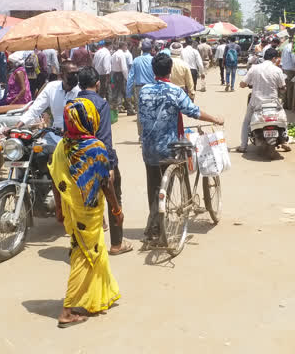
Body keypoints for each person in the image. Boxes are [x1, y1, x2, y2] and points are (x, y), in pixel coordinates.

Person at [48, 98, 122, 328]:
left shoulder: (62, 145)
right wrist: (116, 208)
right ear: (88, 120)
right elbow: (105, 184)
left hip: (72, 209)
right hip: (88, 211)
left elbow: (55, 178)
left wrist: (59, 210)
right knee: (83, 255)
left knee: (94, 251)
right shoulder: (95, 147)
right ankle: (67, 310)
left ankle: (100, 295)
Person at [137, 53, 223, 242]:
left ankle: (153, 223)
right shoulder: (175, 91)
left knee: (153, 185)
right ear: (170, 71)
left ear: (153, 70)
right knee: (177, 168)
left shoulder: (143, 90)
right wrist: (215, 119)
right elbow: (194, 111)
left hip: (148, 148)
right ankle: (181, 204)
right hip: (169, 148)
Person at [78, 67, 132, 256]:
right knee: (114, 197)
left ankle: (87, 245)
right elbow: (104, 138)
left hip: (77, 161)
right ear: (98, 84)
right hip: (98, 159)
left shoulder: (71, 103)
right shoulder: (101, 104)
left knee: (84, 202)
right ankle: (117, 244)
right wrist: (109, 166)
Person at [16, 61, 81, 145]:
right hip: (54, 136)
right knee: (35, 153)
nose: (75, 76)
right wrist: (17, 126)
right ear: (61, 75)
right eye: (71, 74)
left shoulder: (81, 91)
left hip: (75, 138)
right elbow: (35, 109)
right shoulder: (51, 87)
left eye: (77, 73)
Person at [236, 47, 286, 154]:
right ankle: (285, 141)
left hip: (256, 102)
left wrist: (245, 85)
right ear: (274, 58)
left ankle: (243, 146)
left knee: (246, 122)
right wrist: (281, 88)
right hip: (273, 103)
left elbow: (242, 83)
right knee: (283, 119)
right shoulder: (278, 70)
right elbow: (282, 87)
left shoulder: (254, 68)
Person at [126, 40, 156, 136]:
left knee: (140, 112)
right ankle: (151, 133)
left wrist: (128, 93)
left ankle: (141, 135)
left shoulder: (136, 60)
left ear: (141, 49)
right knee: (152, 110)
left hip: (139, 89)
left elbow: (130, 77)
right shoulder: (153, 60)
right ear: (151, 49)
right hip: (152, 88)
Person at [109, 42, 132, 114]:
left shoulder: (114, 54)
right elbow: (124, 68)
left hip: (114, 74)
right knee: (125, 91)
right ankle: (130, 109)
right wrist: (127, 78)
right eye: (126, 45)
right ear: (123, 46)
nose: (126, 47)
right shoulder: (121, 55)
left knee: (115, 92)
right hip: (120, 75)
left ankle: (113, 109)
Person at [281, 30, 295, 109]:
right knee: (290, 88)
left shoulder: (286, 46)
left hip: (285, 69)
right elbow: (294, 60)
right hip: (290, 70)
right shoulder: (292, 47)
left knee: (286, 87)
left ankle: (285, 104)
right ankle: (290, 105)